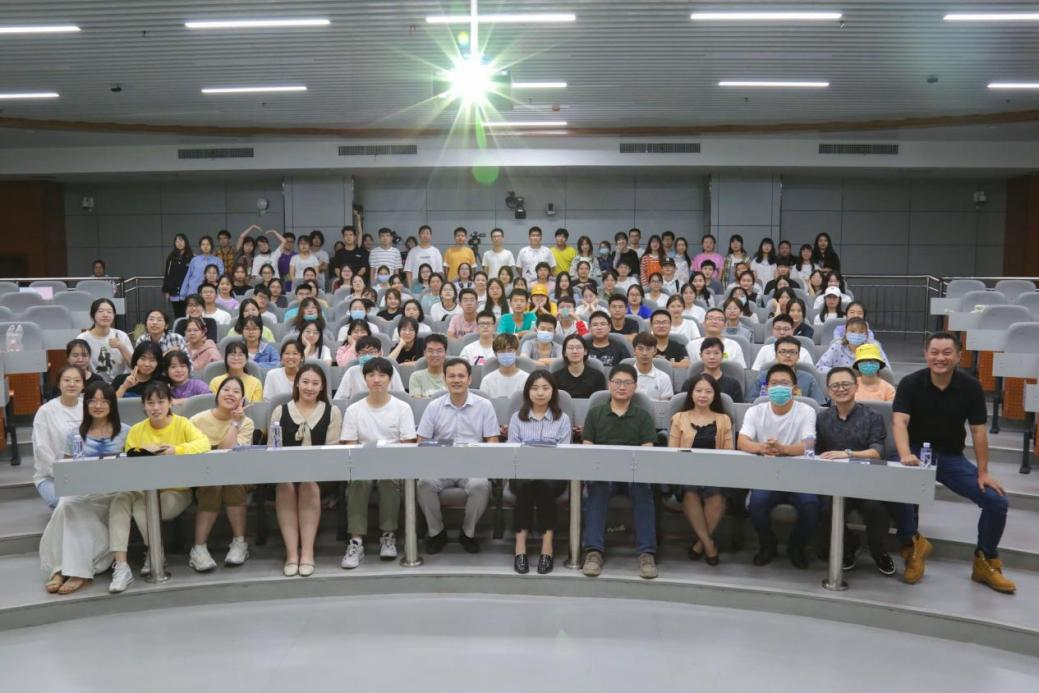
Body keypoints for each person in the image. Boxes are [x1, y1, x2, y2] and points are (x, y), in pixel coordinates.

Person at [892, 332, 1014, 593]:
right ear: (926, 355)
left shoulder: (971, 387)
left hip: (950, 456)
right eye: (934, 352)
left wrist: (983, 472)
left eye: (947, 353)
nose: (940, 358)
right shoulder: (910, 383)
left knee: (996, 501)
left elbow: (978, 431)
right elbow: (900, 421)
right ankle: (913, 545)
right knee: (898, 487)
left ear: (959, 356)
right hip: (915, 451)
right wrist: (904, 454)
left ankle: (985, 560)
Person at [108, 381, 211, 593]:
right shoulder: (137, 430)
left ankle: (155, 554)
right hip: (142, 488)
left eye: (161, 402)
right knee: (120, 500)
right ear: (144, 406)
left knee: (142, 506)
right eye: (150, 403)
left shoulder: (182, 424)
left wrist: (176, 450)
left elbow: (204, 443)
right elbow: (130, 460)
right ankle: (122, 566)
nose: (156, 407)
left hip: (176, 490)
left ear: (170, 403)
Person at [39, 381, 130, 595]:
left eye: (104, 401)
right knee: (66, 504)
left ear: (112, 404)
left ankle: (67, 570)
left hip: (113, 493)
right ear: (86, 404)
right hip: (83, 492)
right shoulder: (75, 434)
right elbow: (68, 472)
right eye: (92, 401)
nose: (98, 405)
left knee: (68, 507)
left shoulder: (126, 432)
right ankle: (65, 569)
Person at [814, 367, 896, 575]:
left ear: (856, 386)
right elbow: (818, 453)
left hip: (865, 480)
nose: (841, 389)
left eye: (845, 384)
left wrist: (848, 454)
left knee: (876, 509)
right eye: (835, 386)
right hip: (833, 481)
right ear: (829, 391)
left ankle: (878, 550)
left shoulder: (873, 416)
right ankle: (850, 545)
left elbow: (877, 452)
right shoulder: (822, 418)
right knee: (826, 509)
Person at [581, 364, 658, 579]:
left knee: (643, 490)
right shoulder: (595, 414)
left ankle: (647, 553)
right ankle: (593, 552)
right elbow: (588, 448)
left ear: (635, 386)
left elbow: (647, 451)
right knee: (597, 489)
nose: (622, 387)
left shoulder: (643, 416)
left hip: (634, 473)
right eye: (617, 382)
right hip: (603, 473)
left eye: (627, 383)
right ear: (609, 385)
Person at [738, 364, 819, 569]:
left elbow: (808, 445)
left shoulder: (807, 411)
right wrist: (761, 447)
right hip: (767, 474)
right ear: (766, 388)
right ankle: (768, 545)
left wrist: (783, 449)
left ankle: (796, 547)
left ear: (795, 388)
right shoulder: (755, 411)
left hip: (799, 476)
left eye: (785, 383)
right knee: (757, 504)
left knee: (811, 505)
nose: (779, 388)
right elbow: (742, 441)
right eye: (774, 383)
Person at [339, 358, 417, 568]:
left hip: (392, 464)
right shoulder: (354, 409)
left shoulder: (402, 408)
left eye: (382, 375)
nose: (376, 380)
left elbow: (408, 445)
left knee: (388, 479)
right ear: (364, 379)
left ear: (389, 379)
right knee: (359, 481)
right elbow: (350, 446)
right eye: (371, 375)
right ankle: (356, 541)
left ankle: (388, 535)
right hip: (362, 464)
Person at [417, 359, 499, 553]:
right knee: (424, 483)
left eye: (461, 376)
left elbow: (492, 440)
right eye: (451, 376)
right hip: (440, 466)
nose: (456, 380)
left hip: (472, 466)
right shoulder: (434, 406)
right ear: (444, 379)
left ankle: (468, 533)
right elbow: (422, 441)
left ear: (469, 379)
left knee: (480, 485)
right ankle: (436, 532)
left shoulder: (484, 405)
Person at [272, 365, 342, 577]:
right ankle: (292, 554)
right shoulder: (280, 411)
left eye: (315, 383)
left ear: (322, 387)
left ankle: (307, 553)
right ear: (296, 384)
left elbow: (332, 454)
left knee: (308, 484)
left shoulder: (332, 412)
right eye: (305, 382)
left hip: (321, 476)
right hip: (285, 474)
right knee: (285, 486)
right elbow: (272, 451)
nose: (309, 387)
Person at [187, 376, 255, 572]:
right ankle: (198, 549)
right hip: (204, 474)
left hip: (237, 473)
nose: (230, 394)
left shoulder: (246, 423)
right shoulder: (197, 420)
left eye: (236, 391)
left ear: (242, 399)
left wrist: (235, 423)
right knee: (214, 484)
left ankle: (239, 543)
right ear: (217, 394)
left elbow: (228, 452)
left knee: (232, 482)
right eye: (226, 389)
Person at [507, 370, 572, 574]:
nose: (540, 393)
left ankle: (547, 546)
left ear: (553, 391)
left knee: (544, 486)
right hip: (522, 473)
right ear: (528, 392)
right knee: (526, 486)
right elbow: (512, 452)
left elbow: (564, 454)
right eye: (535, 388)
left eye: (545, 388)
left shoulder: (562, 419)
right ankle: (520, 548)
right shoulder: (517, 418)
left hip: (553, 474)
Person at [669, 373, 734, 565]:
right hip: (686, 472)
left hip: (716, 473)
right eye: (698, 391)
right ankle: (709, 544)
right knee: (690, 492)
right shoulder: (679, 418)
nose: (703, 395)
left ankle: (700, 544)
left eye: (708, 391)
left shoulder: (724, 419)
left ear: (715, 395)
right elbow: (672, 453)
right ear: (691, 393)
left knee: (717, 495)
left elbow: (729, 454)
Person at [32, 365, 85, 509]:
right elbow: (42, 450)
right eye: (67, 380)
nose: (72, 384)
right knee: (68, 503)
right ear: (58, 384)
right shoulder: (46, 411)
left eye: (77, 380)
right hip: (52, 477)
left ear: (83, 384)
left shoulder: (88, 407)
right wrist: (65, 475)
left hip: (85, 474)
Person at [752, 336, 826, 404]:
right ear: (776, 355)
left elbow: (818, 405)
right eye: (783, 352)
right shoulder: (763, 376)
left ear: (798, 356)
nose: (787, 355)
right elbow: (751, 402)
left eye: (792, 352)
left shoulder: (808, 378)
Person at [77, 298, 133, 383]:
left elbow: (133, 365)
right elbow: (77, 367)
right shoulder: (82, 338)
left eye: (109, 312)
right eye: (100, 311)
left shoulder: (122, 336)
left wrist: (121, 346)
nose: (105, 315)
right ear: (92, 315)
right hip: (93, 384)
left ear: (114, 316)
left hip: (120, 384)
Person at [680, 337, 744, 403]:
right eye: (708, 353)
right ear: (701, 355)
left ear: (722, 356)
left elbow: (738, 408)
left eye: (716, 353)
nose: (712, 357)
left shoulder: (733, 385)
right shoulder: (689, 383)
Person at [817, 317, 889, 374]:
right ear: (846, 333)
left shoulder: (874, 347)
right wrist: (841, 373)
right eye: (852, 331)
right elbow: (819, 367)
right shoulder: (837, 347)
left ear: (866, 335)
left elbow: (886, 370)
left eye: (861, 332)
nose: (857, 334)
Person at [553, 333, 607, 401]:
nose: (575, 351)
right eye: (571, 348)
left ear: (585, 351)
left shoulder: (598, 376)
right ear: (564, 353)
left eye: (578, 347)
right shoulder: (555, 378)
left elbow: (600, 402)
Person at [481, 334, 528, 398]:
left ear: (516, 351)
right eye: (502, 351)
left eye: (510, 350)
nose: (506, 353)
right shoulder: (487, 381)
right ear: (495, 353)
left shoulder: (527, 379)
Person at [632, 332, 674, 401]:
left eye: (648, 349)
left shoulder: (664, 378)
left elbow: (666, 405)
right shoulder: (626, 377)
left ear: (655, 351)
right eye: (640, 349)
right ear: (634, 351)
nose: (644, 353)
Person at [162, 234, 193, 318]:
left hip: (187, 292)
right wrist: (167, 291)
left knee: (189, 315)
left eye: (181, 240)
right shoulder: (171, 258)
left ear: (185, 242)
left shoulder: (191, 257)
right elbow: (167, 274)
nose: (179, 243)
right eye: (177, 241)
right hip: (174, 292)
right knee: (178, 315)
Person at [332, 217, 369, 281]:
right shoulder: (339, 252)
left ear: (355, 237)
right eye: (346, 235)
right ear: (343, 237)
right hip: (343, 282)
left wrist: (354, 280)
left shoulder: (361, 251)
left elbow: (363, 268)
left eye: (351, 235)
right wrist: (344, 279)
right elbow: (336, 269)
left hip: (358, 282)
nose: (348, 237)